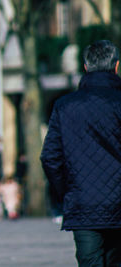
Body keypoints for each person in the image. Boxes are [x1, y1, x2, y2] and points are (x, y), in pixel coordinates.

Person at [40, 40, 121, 266]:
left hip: (83, 203)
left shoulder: (64, 106)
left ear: (85, 67)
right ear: (116, 66)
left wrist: (66, 191)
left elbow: (50, 157)